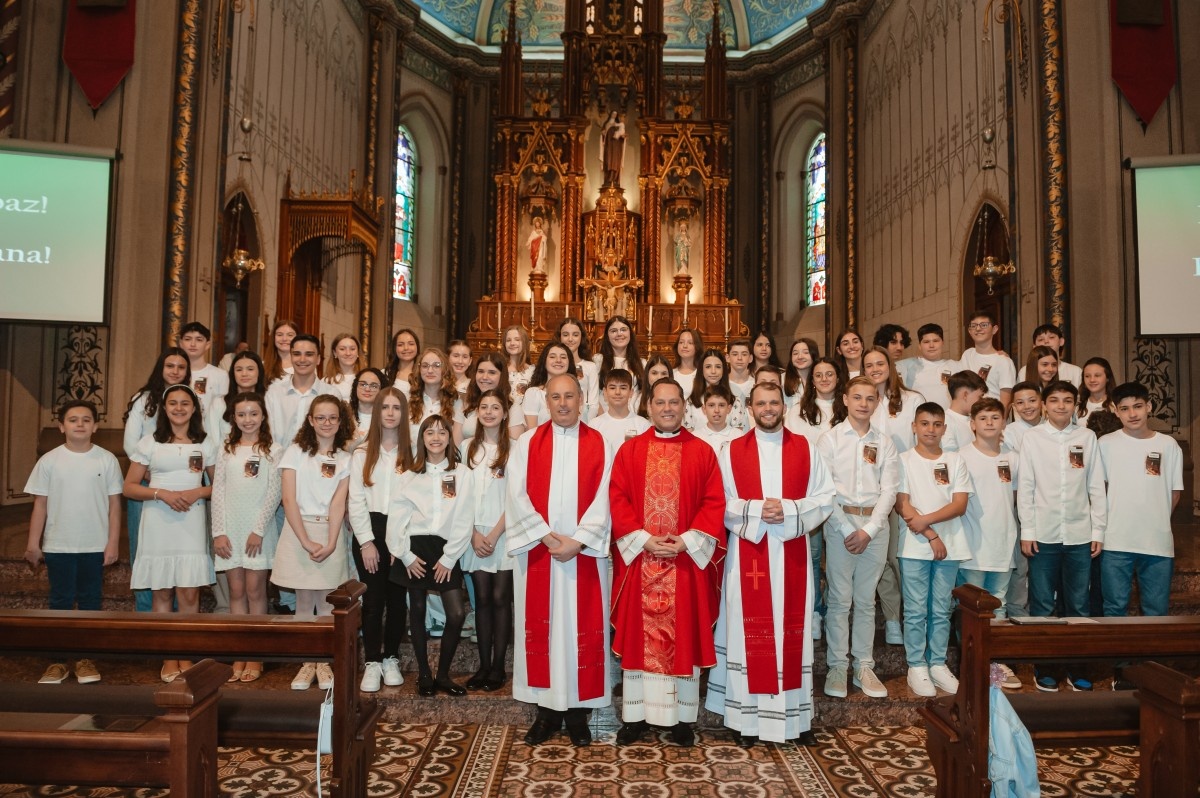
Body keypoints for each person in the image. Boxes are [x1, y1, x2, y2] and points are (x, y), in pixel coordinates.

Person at [705, 381, 835, 748]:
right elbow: (717, 501)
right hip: (749, 553)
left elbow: (826, 497)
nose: (767, 408)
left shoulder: (806, 448)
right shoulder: (730, 452)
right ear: (749, 408)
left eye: (773, 402)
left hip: (791, 553)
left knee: (790, 635)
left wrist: (791, 509)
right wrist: (756, 509)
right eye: (760, 403)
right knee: (748, 636)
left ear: (783, 406)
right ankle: (744, 720)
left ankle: (794, 719)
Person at [609, 379, 726, 747]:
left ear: (684, 406)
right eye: (660, 402)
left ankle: (680, 720)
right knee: (638, 639)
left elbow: (714, 502)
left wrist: (686, 541)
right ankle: (636, 717)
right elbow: (617, 498)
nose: (667, 408)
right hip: (641, 561)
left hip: (684, 565)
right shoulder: (630, 451)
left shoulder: (702, 452)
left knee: (683, 640)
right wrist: (644, 539)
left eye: (674, 402)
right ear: (648, 406)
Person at [506, 373, 614, 747]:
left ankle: (579, 714)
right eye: (556, 397)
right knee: (545, 631)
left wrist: (579, 541)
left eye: (570, 396)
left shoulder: (600, 442)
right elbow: (516, 494)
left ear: (581, 399)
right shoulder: (528, 443)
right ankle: (547, 713)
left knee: (578, 632)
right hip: (541, 554)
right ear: (545, 401)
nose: (563, 403)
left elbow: (606, 496)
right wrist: (548, 537)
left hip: (583, 557)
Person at [25, 400, 123, 686]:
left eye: (85, 419)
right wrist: (34, 543)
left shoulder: (106, 460)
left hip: (94, 545)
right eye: (72, 419)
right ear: (61, 426)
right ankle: (57, 661)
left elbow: (114, 506)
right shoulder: (49, 461)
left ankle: (85, 658)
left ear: (95, 426)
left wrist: (113, 542)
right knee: (60, 601)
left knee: (91, 600)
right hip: (58, 545)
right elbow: (40, 505)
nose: (79, 424)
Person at [123, 384, 216, 683]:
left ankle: (186, 654)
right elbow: (130, 486)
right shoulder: (150, 442)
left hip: (190, 520)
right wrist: (161, 493)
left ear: (194, 408)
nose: (179, 408)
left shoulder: (205, 443)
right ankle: (168, 657)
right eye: (173, 403)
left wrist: (196, 491)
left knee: (189, 592)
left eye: (185, 403)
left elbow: (219, 485)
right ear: (165, 408)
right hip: (158, 520)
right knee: (162, 592)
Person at [1017, 381, 1106, 692]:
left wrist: (1098, 530)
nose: (1060, 406)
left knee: (1079, 606)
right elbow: (1026, 487)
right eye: (1054, 400)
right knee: (1042, 605)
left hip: (1080, 534)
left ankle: (1077, 667)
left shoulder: (1087, 437)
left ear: (1075, 405)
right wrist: (1027, 530)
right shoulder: (1033, 438)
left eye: (1068, 401)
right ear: (1044, 404)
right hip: (1043, 533)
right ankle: (1047, 668)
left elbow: (1096, 485)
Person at [816, 376, 899, 701]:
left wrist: (869, 530)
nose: (864, 403)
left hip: (874, 527)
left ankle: (863, 665)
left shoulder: (885, 442)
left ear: (876, 402)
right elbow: (824, 490)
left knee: (865, 601)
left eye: (870, 398)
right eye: (858, 397)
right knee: (839, 600)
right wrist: (850, 530)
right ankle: (837, 666)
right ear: (846, 400)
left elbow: (890, 489)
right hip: (840, 526)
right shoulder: (831, 439)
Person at [387, 415, 476, 697]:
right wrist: (404, 554)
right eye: (429, 433)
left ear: (450, 438)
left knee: (456, 613)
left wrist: (450, 558)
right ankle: (425, 674)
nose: (436, 437)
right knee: (417, 610)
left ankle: (444, 674)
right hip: (414, 550)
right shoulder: (408, 475)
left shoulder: (463, 474)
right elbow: (396, 520)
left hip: (445, 549)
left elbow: (465, 517)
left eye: (441, 432)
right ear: (422, 439)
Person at [273, 394, 354, 691]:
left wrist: (332, 542)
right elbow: (288, 499)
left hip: (328, 532)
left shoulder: (345, 459)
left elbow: (338, 504)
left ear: (340, 421)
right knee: (304, 602)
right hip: (298, 532)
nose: (327, 423)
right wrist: (305, 540)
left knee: (327, 603)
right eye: (320, 417)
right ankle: (307, 663)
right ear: (310, 420)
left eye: (333, 417)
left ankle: (324, 661)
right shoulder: (295, 452)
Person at [895, 402, 972, 698]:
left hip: (950, 545)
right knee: (915, 610)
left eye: (936, 424)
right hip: (915, 546)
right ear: (914, 426)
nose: (930, 429)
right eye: (924, 423)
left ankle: (937, 663)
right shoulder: (903, 460)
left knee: (941, 609)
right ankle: (916, 665)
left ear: (944, 428)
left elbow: (959, 504)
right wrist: (930, 535)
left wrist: (928, 523)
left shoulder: (955, 460)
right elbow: (903, 503)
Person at [211, 392, 280, 683]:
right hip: (231, 530)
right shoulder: (227, 450)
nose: (248, 419)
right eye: (242, 414)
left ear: (262, 416)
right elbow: (217, 492)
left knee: (255, 592)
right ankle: (239, 652)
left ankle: (256, 653)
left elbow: (274, 493)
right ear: (234, 418)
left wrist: (259, 529)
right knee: (235, 593)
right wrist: (218, 532)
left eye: (253, 413)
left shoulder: (272, 450)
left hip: (257, 532)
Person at [1100, 382, 1182, 619]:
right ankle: (1118, 658)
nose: (1132, 414)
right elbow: (1098, 490)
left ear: (1149, 406)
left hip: (1156, 542)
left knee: (1156, 611)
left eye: (1137, 406)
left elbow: (1175, 493)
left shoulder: (1169, 445)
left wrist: (1154, 520)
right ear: (1115, 411)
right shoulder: (1105, 444)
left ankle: (1153, 657)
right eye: (1124, 408)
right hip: (1115, 541)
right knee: (1114, 609)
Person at [348, 387, 411, 693]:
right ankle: (372, 661)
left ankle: (391, 657)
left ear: (403, 413)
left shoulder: (411, 454)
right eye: (384, 407)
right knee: (373, 601)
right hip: (370, 530)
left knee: (398, 601)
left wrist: (401, 545)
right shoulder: (362, 453)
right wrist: (366, 542)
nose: (389, 412)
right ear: (376, 413)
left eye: (396, 407)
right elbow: (356, 500)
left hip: (401, 533)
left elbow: (415, 501)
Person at [957, 397, 1022, 689]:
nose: (989, 423)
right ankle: (971, 662)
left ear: (1003, 423)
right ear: (972, 424)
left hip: (1003, 543)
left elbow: (1020, 500)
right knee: (971, 608)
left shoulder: (1013, 457)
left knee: (1001, 605)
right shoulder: (961, 457)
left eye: (995, 418)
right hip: (972, 545)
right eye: (983, 418)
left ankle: (995, 660)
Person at [862, 346, 924, 646]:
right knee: (881, 561)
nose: (875, 368)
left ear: (891, 365)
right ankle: (891, 618)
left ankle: (912, 615)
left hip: (903, 490)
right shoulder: (860, 402)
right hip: (870, 490)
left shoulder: (913, 400)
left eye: (880, 363)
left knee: (901, 559)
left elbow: (919, 447)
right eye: (869, 364)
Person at [122, 347, 191, 613]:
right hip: (147, 484)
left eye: (181, 367)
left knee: (177, 554)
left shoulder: (191, 399)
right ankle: (146, 616)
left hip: (184, 489)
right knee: (145, 553)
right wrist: (151, 474)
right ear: (161, 368)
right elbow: (131, 442)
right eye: (170, 365)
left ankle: (172, 615)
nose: (175, 371)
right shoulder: (144, 399)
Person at [460, 389, 516, 691]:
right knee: (481, 600)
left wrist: (494, 534)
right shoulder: (467, 448)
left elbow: (518, 497)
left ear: (505, 413)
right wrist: (472, 534)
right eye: (484, 407)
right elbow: (456, 495)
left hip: (503, 533)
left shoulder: (515, 449)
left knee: (500, 599)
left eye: (496, 407)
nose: (490, 412)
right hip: (474, 534)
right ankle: (482, 665)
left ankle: (498, 667)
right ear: (477, 412)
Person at [264, 334, 332, 448]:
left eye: (309, 354)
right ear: (291, 357)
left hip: (316, 461)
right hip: (279, 461)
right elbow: (266, 433)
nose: (302, 359)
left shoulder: (331, 394)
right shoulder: (275, 392)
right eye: (297, 354)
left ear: (319, 359)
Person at [455, 352, 521, 444]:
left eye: (492, 372)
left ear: (502, 376)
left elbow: (515, 448)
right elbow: (457, 447)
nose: (484, 377)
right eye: (481, 371)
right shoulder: (464, 403)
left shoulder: (513, 408)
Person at [407, 347, 460, 454]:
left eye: (436, 365)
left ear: (445, 370)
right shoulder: (408, 402)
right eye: (425, 366)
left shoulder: (457, 403)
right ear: (419, 369)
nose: (430, 370)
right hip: (413, 465)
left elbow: (457, 445)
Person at [958, 311, 1016, 408]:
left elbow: (1006, 401)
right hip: (969, 417)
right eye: (974, 325)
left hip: (992, 416)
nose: (978, 329)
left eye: (984, 325)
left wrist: (1000, 421)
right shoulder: (967, 355)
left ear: (994, 329)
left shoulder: (1003, 361)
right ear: (969, 331)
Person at [209, 351, 267, 443]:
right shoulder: (219, 403)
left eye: (250, 369)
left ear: (259, 372)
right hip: (226, 455)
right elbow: (213, 440)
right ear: (233, 374)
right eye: (239, 370)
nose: (244, 374)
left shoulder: (269, 402)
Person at [784, 356, 844, 444]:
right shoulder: (797, 411)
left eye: (829, 374)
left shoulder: (848, 408)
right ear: (813, 381)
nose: (824, 379)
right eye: (818, 375)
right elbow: (789, 444)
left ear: (837, 378)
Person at [589, 368, 651, 450]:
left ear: (631, 392)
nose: (617, 392)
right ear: (605, 392)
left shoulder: (643, 425)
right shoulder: (594, 425)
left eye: (623, 388)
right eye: (612, 388)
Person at [178, 321, 229, 420]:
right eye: (188, 339)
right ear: (181, 343)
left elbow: (223, 412)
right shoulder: (174, 374)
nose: (193, 344)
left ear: (208, 344)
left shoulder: (220, 375)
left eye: (199, 340)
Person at [554, 317, 600, 421]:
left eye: (575, 335)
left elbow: (593, 403)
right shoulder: (555, 364)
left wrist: (586, 424)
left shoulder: (590, 366)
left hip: (584, 420)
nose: (570, 339)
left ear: (581, 337)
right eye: (565, 335)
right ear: (559, 337)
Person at [595, 315, 645, 409]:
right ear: (607, 336)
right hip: (605, 415)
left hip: (633, 417)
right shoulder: (598, 360)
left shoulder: (642, 363)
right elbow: (593, 393)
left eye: (623, 330)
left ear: (630, 333)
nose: (619, 334)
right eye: (613, 331)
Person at [523, 342, 577, 429]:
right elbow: (532, 431)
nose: (558, 360)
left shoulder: (576, 393)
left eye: (563, 357)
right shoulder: (534, 393)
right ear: (544, 361)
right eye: (552, 357)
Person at [907, 324, 959, 409]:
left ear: (943, 342)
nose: (931, 345)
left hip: (948, 420)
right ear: (919, 346)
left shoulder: (954, 366)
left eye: (936, 341)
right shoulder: (911, 368)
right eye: (926, 342)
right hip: (921, 419)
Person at [1016, 324, 1082, 387]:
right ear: (1034, 346)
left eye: (1051, 337)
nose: (1046, 341)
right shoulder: (1025, 371)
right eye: (1041, 339)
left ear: (1061, 341)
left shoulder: (1075, 371)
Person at [943, 370, 988, 452]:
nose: (982, 401)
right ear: (965, 395)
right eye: (980, 397)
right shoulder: (946, 422)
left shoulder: (975, 419)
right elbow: (950, 457)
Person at [692, 384, 740, 455]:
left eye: (721, 405)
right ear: (704, 409)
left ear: (729, 409)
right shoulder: (695, 437)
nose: (717, 410)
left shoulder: (738, 436)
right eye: (711, 405)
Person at [324, 333, 365, 402]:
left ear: (358, 352)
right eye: (342, 349)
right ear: (335, 353)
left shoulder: (367, 379)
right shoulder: (326, 382)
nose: (348, 353)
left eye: (352, 349)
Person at [783, 338, 819, 408]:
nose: (800, 357)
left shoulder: (820, 379)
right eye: (795, 353)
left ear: (814, 355)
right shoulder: (781, 379)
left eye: (805, 352)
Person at [672, 328, 704, 401]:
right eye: (681, 342)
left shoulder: (702, 374)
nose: (685, 346)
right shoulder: (671, 373)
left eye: (690, 343)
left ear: (697, 346)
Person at [726, 339, 755, 404]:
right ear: (727, 358)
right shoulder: (722, 383)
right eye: (735, 354)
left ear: (750, 358)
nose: (739, 358)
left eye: (744, 354)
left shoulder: (755, 384)